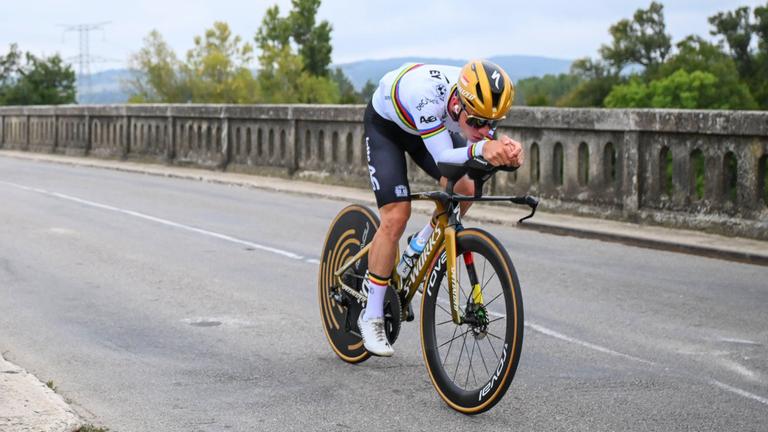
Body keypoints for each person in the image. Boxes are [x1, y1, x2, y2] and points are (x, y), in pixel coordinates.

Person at [359, 59, 525, 356]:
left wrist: (507, 153)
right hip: (388, 128)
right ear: (458, 105)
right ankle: (370, 315)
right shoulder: (426, 97)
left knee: (466, 189)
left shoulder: (474, 107)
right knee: (397, 216)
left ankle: (418, 246)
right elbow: (444, 159)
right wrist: (482, 148)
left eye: (493, 123)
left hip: (429, 128)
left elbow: (476, 153)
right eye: (476, 123)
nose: (484, 130)